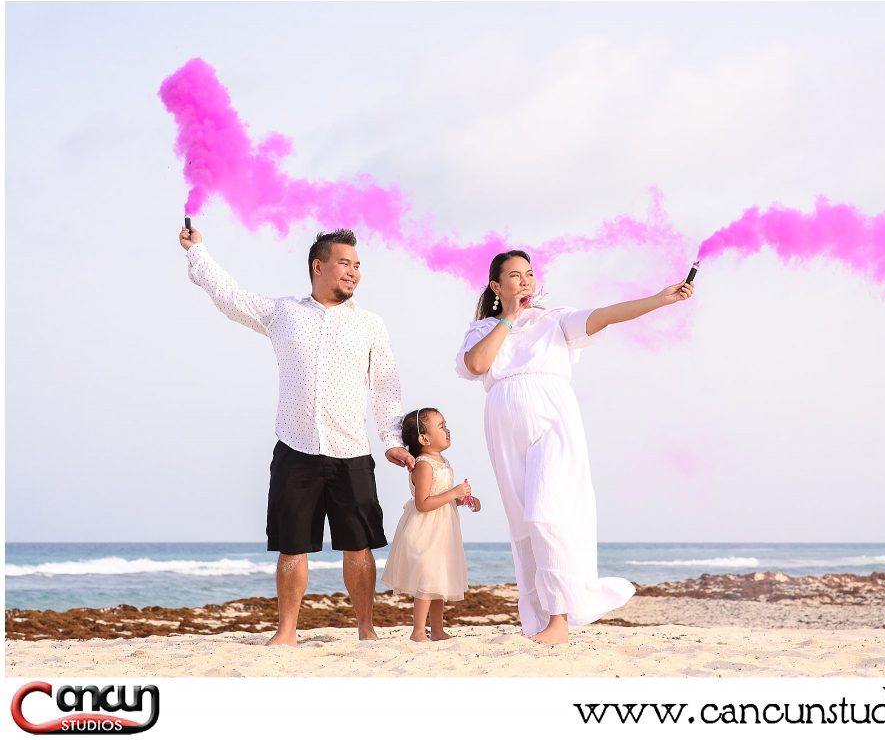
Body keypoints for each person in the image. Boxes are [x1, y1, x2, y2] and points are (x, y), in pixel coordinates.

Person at [179, 225, 415, 646]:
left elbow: (386, 385)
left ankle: (366, 627)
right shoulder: (283, 312)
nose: (354, 272)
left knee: (359, 547)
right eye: (345, 263)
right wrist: (198, 252)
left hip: (352, 451)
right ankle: (286, 631)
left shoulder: (371, 325)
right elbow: (229, 297)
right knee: (292, 546)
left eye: (358, 266)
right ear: (318, 266)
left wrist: (391, 438)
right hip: (295, 449)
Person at [455, 250, 696, 644]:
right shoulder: (481, 329)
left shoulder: (555, 320)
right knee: (524, 526)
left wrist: (659, 299)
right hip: (503, 428)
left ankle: (560, 621)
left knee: (546, 515)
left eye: (530, 274)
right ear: (497, 286)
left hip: (554, 419)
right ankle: (539, 620)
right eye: (515, 276)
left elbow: (605, 314)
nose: (526, 281)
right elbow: (477, 365)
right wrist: (509, 318)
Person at [381, 408, 481, 641]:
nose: (448, 429)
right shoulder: (424, 464)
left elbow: (442, 494)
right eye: (441, 426)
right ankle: (418, 631)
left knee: (438, 579)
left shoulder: (443, 461)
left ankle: (437, 629)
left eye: (446, 424)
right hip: (425, 530)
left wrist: (463, 499)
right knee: (426, 579)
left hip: (443, 530)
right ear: (424, 439)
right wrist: (454, 491)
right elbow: (423, 503)